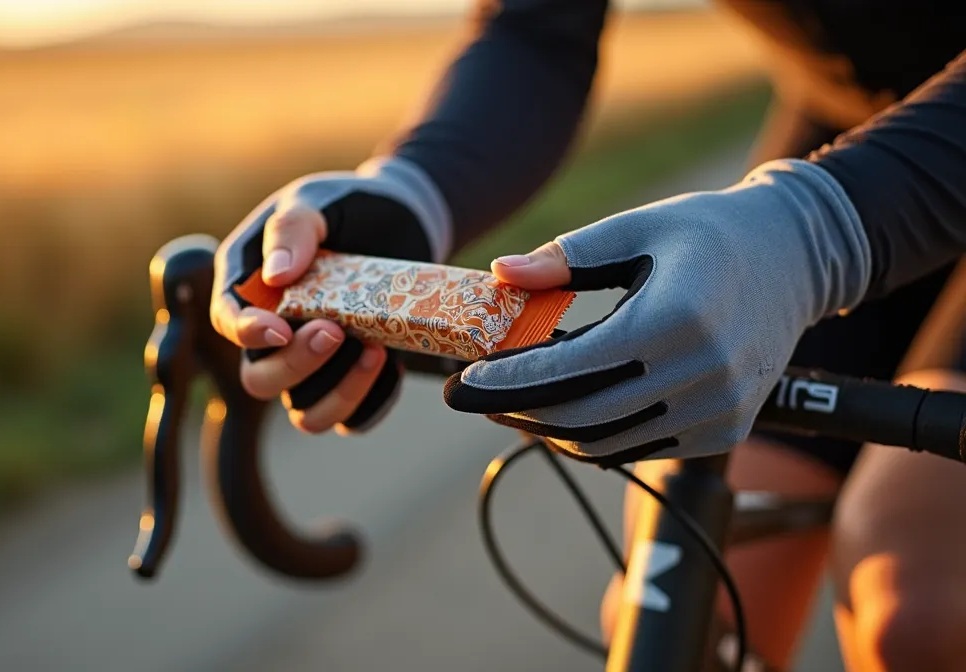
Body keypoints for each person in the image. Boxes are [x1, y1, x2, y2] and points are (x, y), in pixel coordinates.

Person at [208, 1, 966, 670]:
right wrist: (413, 188)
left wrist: (815, 227)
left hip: (855, 189)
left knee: (918, 604)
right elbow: (537, 30)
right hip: (849, 133)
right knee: (689, 604)